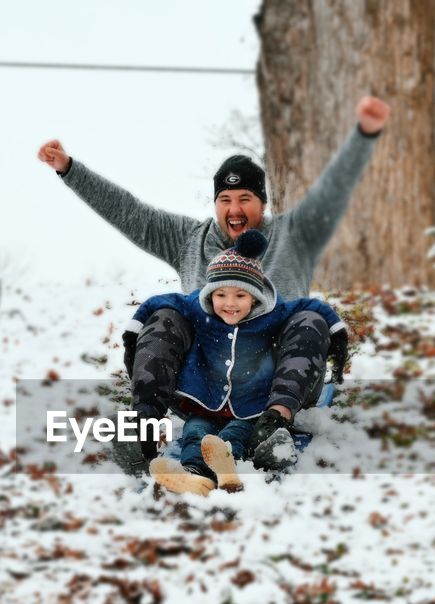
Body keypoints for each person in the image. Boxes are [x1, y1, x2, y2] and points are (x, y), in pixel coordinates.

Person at [37, 95, 389, 470]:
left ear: (263, 203)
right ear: (215, 202)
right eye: (225, 199)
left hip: (275, 381)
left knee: (308, 319)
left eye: (245, 198)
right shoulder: (189, 238)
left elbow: (333, 194)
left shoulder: (295, 234)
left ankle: (273, 427)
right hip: (201, 383)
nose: (234, 209)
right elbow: (130, 212)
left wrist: (364, 135)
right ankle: (143, 427)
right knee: (167, 315)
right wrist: (70, 169)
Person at [133, 230, 345, 495]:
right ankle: (194, 474)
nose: (229, 304)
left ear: (255, 297)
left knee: (236, 433)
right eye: (221, 295)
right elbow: (163, 302)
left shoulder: (274, 314)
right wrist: (135, 327)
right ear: (210, 295)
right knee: (195, 432)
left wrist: (336, 330)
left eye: (240, 296)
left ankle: (228, 468)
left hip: (253, 405)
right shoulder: (199, 311)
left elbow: (311, 309)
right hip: (205, 402)